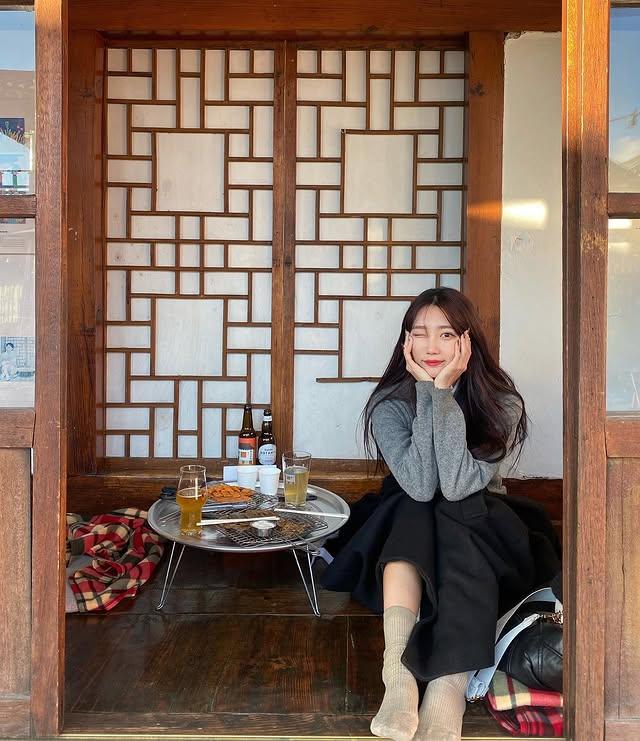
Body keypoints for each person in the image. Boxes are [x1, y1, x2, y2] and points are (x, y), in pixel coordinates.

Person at [320, 287, 561, 741]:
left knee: (457, 512)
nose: (432, 347)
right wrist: (426, 393)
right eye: (420, 333)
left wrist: (443, 394)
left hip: (483, 517)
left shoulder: (501, 403)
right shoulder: (390, 404)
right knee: (412, 507)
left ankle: (449, 685)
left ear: (467, 341)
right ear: (406, 342)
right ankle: (398, 674)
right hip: (407, 519)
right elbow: (420, 484)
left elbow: (456, 484)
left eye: (446, 334)